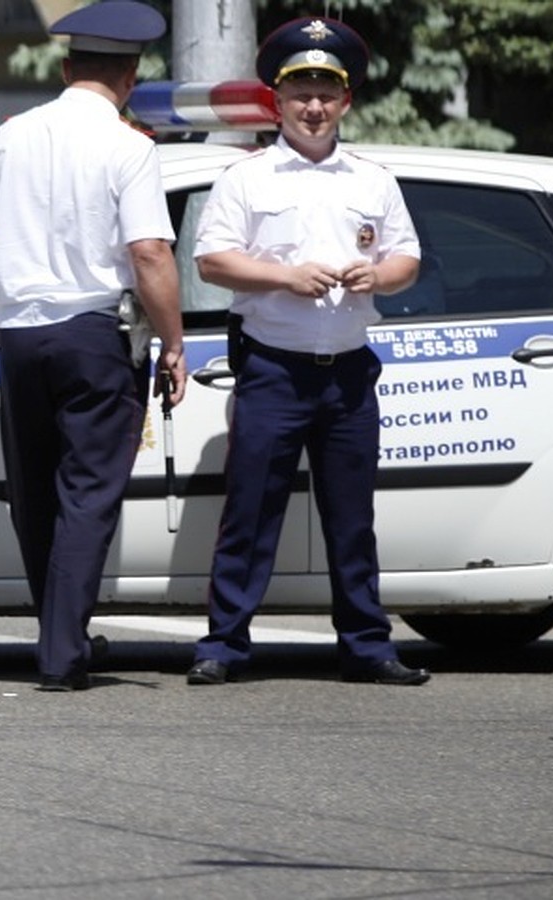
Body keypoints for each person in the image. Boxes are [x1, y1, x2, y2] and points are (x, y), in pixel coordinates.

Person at [187, 17, 430, 686]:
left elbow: (406, 256)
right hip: (274, 369)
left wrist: (377, 276)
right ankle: (225, 646)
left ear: (345, 102)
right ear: (278, 103)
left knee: (352, 521)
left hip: (349, 374)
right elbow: (211, 261)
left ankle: (367, 646)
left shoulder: (373, 179)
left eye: (327, 94)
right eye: (301, 95)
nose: (314, 107)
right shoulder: (248, 177)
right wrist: (284, 277)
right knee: (249, 515)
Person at [0, 0, 187, 691]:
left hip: (19, 334)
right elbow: (151, 253)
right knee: (88, 495)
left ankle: (60, 635)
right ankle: (63, 653)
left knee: (35, 494)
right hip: (93, 334)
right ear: (130, 77)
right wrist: (176, 343)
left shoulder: (12, 135)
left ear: (67, 67)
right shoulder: (130, 146)